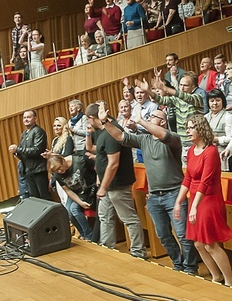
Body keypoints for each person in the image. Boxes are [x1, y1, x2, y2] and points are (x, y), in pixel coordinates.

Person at [99, 104, 199, 274]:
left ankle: (190, 268)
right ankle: (178, 263)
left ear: (163, 122)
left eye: (154, 117)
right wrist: (106, 121)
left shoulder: (172, 138)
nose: (150, 118)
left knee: (183, 235)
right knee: (163, 235)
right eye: (150, 116)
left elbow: (162, 135)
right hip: (154, 196)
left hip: (174, 194)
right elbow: (120, 136)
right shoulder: (143, 140)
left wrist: (141, 121)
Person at [173, 115, 232, 286]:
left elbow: (206, 182)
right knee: (198, 244)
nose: (188, 131)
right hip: (196, 200)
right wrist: (179, 202)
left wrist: (194, 207)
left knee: (210, 244)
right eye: (187, 127)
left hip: (209, 200)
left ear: (201, 128)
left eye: (191, 127)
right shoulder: (192, 151)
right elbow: (188, 179)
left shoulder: (211, 151)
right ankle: (216, 276)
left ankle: (230, 281)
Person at [84, 102, 145, 259]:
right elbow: (96, 152)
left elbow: (113, 163)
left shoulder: (112, 131)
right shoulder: (102, 132)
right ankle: (107, 249)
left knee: (129, 219)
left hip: (117, 184)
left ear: (91, 118)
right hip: (108, 185)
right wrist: (88, 134)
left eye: (88, 120)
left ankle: (138, 253)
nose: (88, 123)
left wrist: (103, 187)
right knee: (105, 217)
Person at [48, 153, 96, 240]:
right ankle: (83, 235)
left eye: (59, 168)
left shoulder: (79, 161)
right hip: (75, 193)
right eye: (56, 170)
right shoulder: (57, 174)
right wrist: (80, 202)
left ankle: (89, 235)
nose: (59, 171)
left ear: (63, 160)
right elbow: (68, 190)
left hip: (88, 190)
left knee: (74, 209)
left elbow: (95, 168)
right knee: (67, 212)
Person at [8, 109, 49, 200]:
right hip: (28, 170)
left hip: (39, 170)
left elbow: (37, 150)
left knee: (44, 196)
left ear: (35, 119)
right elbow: (24, 153)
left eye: (29, 117)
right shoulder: (24, 134)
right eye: (24, 117)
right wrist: (16, 152)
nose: (26, 119)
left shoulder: (38, 131)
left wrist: (18, 149)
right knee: (34, 198)